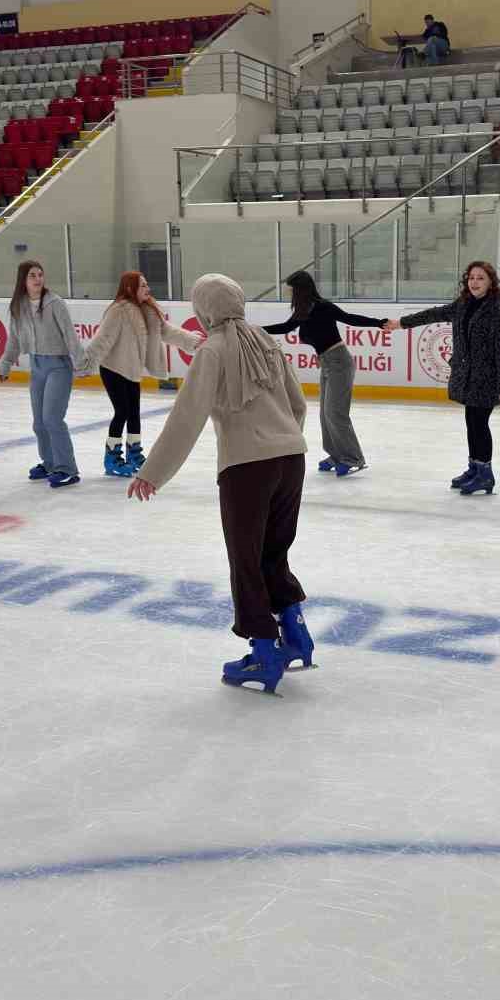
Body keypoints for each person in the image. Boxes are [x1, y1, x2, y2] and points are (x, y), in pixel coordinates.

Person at [128, 274, 313, 695]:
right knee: (273, 552)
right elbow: (298, 403)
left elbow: (187, 417)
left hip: (247, 468)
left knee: (246, 561)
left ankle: (264, 654)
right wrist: (283, 439)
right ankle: (297, 634)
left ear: (204, 310)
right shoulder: (265, 341)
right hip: (292, 458)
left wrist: (153, 472)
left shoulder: (212, 350)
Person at [386, 260, 500, 494]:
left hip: (486, 378)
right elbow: (433, 314)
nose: (474, 282)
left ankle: (485, 474)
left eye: (480, 278)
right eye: (471, 277)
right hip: (467, 376)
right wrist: (401, 324)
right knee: (471, 423)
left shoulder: (497, 311)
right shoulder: (462, 305)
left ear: (491, 283)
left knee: (479, 425)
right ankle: (475, 468)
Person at [262, 270, 390, 476]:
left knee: (335, 413)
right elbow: (285, 328)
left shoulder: (323, 307)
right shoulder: (303, 311)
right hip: (327, 364)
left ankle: (353, 458)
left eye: (291, 290)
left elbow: (350, 319)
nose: (289, 294)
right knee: (325, 413)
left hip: (339, 362)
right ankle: (336, 454)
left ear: (300, 290)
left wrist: (377, 323)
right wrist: (255, 330)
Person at [78, 269, 193, 476]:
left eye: (147, 284)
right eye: (143, 285)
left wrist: (192, 341)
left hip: (132, 371)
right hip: (113, 369)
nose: (148, 288)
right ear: (130, 288)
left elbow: (167, 331)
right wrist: (86, 364)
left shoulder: (147, 310)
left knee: (134, 413)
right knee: (122, 411)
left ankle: (134, 454)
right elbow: (103, 339)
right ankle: (112, 458)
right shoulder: (119, 310)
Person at [0, 259, 85, 489]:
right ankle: (50, 463)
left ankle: (67, 469)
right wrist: (6, 363)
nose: (38, 279)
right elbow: (14, 338)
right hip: (37, 366)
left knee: (52, 419)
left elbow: (70, 335)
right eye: (32, 275)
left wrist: (81, 363)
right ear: (23, 280)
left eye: (40, 275)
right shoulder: (19, 306)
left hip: (58, 366)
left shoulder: (55, 303)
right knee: (39, 423)